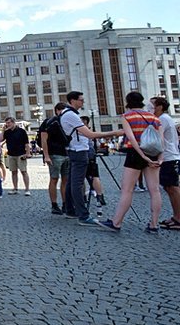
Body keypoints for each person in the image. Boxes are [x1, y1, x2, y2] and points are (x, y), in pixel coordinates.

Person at [99, 92, 164, 233]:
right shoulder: (153, 117)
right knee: (155, 190)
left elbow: (131, 138)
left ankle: (116, 222)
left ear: (128, 102)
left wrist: (142, 155)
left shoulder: (127, 116)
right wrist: (160, 158)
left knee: (127, 190)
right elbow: (161, 141)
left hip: (136, 153)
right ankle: (154, 224)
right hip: (153, 153)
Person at [60, 92, 122, 226]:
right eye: (81, 100)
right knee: (77, 184)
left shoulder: (66, 113)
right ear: (72, 100)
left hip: (73, 150)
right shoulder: (71, 115)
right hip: (79, 151)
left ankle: (70, 210)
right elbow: (89, 134)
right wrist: (114, 133)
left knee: (72, 182)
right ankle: (83, 215)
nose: (83, 102)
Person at [151, 98, 180, 230]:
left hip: (168, 157)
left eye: (152, 105)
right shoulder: (165, 118)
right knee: (169, 188)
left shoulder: (163, 119)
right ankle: (176, 216)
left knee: (173, 188)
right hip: (168, 156)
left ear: (159, 107)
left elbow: (155, 136)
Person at [40, 102, 70, 215]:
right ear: (57, 110)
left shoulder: (66, 121)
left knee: (66, 180)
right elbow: (44, 140)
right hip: (54, 154)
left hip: (66, 153)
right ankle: (54, 205)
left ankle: (65, 204)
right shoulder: (49, 122)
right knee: (54, 179)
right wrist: (46, 155)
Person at [80, 116, 107, 206]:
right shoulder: (89, 131)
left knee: (81, 178)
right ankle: (100, 196)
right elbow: (97, 145)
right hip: (91, 155)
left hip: (82, 155)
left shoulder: (79, 130)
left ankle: (83, 197)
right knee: (95, 176)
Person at [1, 117, 31, 195]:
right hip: (11, 154)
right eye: (6, 123)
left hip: (21, 154)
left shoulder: (22, 131)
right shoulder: (7, 132)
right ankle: (15, 188)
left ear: (13, 122)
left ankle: (27, 189)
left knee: (23, 171)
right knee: (13, 172)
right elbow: (0, 139)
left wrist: (27, 153)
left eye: (9, 123)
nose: (7, 124)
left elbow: (27, 143)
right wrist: (3, 130)